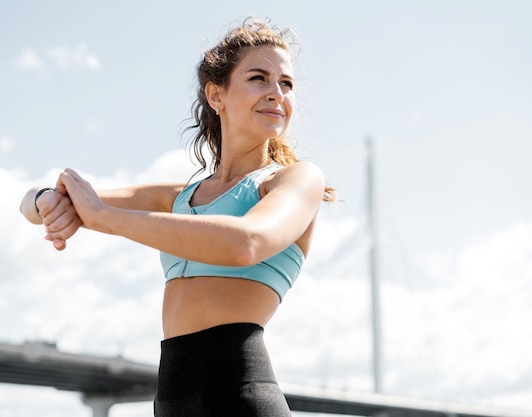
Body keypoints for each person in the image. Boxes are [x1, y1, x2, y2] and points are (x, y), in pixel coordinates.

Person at [20, 18, 335, 417]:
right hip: (170, 401)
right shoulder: (179, 197)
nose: (277, 93)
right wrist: (49, 200)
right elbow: (37, 200)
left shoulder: (296, 180)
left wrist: (100, 217)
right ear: (216, 95)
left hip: (241, 398)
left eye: (286, 84)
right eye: (259, 78)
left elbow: (246, 242)